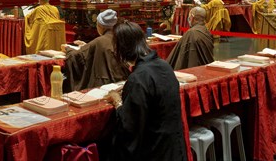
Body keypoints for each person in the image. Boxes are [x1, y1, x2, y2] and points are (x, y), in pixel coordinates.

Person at [106, 21, 188, 161]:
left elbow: (129, 128)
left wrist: (117, 102)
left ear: (121, 49)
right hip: (175, 149)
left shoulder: (138, 78)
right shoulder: (164, 66)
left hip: (154, 152)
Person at [63, 9, 129, 91]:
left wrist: (67, 48)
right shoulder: (120, 36)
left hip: (104, 82)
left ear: (100, 26)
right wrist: (87, 45)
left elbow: (76, 56)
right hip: (123, 78)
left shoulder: (100, 41)